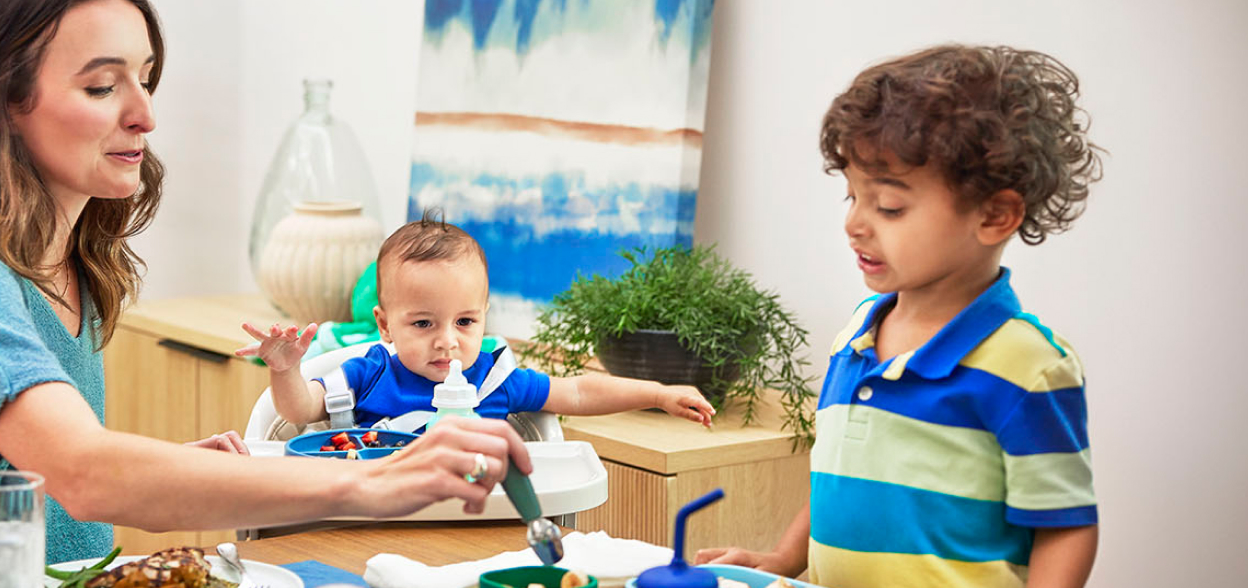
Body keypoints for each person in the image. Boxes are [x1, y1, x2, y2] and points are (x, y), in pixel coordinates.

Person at [0, 0, 535, 586]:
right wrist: (370, 485)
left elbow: (46, 474)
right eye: (101, 85)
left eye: (144, 77)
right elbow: (84, 474)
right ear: (2, 100)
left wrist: (173, 467)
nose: (145, 115)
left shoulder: (71, 268)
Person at [692, 44, 1104, 587]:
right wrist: (783, 559)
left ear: (996, 214)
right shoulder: (856, 335)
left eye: (888, 207)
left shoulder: (1027, 366)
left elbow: (1065, 526)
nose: (855, 224)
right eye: (852, 198)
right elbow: (842, 480)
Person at [239, 220, 715, 441]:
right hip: (375, 524)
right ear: (384, 324)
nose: (448, 340)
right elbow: (299, 409)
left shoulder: (494, 379)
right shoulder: (369, 373)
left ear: (485, 316)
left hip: (474, 525)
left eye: (465, 322)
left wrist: (657, 393)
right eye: (423, 324)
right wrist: (285, 370)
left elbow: (580, 393)